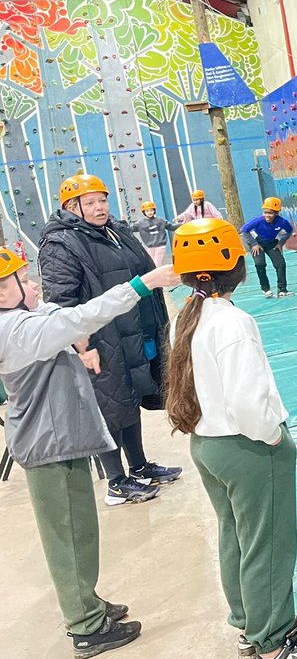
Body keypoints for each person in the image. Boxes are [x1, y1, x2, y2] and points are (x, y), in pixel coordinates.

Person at [163, 218, 297, 659]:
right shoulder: (233, 322)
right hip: (246, 447)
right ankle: (273, 647)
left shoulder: (192, 315)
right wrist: (273, 437)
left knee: (236, 538)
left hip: (209, 445)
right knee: (269, 545)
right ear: (225, 267)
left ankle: (249, 627)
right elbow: (246, 399)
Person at [0, 245, 179, 659]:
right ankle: (85, 627)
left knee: (80, 532)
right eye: (21, 280)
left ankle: (89, 605)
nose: (32, 286)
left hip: (59, 440)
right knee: (69, 538)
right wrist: (142, 284)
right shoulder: (16, 330)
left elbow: (50, 312)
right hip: (49, 448)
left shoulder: (21, 319)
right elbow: (79, 316)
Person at [38, 174, 181, 506]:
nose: (99, 207)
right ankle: (116, 482)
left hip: (136, 332)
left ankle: (140, 467)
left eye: (102, 200)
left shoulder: (116, 231)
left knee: (129, 401)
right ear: (72, 208)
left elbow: (144, 270)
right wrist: (82, 347)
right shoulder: (62, 243)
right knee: (110, 408)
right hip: (102, 340)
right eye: (90, 203)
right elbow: (62, 302)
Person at [241, 197, 294, 299]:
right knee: (260, 264)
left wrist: (280, 243)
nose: (267, 215)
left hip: (271, 243)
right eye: (265, 212)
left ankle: (282, 289)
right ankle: (266, 289)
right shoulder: (258, 220)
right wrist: (254, 243)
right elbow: (244, 230)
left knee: (280, 264)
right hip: (257, 243)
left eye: (270, 213)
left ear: (276, 213)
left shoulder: (282, 222)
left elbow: (289, 231)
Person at [131, 201, 175, 266]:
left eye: (151, 210)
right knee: (151, 264)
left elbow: (171, 227)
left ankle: (158, 275)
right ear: (144, 212)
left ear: (154, 211)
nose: (150, 212)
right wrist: (123, 222)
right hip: (150, 247)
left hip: (160, 246)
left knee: (157, 264)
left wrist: (182, 225)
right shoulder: (140, 223)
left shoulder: (160, 221)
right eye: (147, 211)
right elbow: (130, 229)